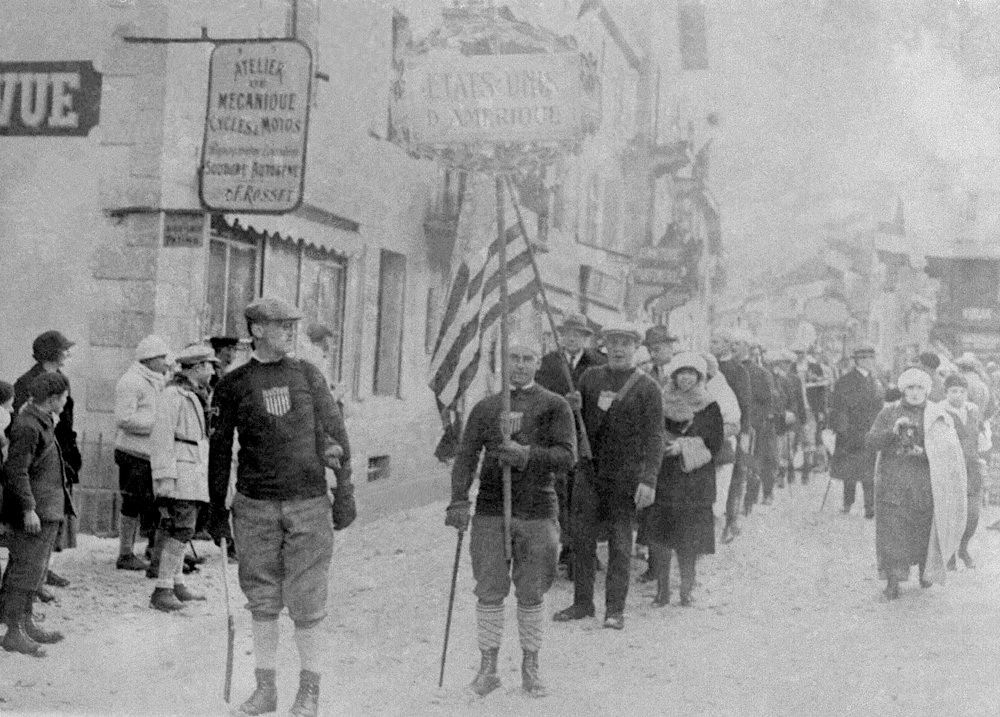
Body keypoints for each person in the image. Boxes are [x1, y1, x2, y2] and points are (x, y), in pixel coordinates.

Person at [209, 297, 354, 717]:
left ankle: (309, 692)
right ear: (256, 329)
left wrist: (344, 493)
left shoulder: (309, 374)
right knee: (263, 600)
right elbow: (219, 452)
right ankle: (265, 689)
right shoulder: (233, 384)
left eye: (293, 325)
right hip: (254, 507)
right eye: (280, 325)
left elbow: (337, 435)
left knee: (308, 603)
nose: (290, 331)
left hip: (308, 503)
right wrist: (217, 511)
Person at [445, 337, 575, 697]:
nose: (519, 364)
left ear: (538, 363)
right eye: (513, 357)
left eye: (527, 358)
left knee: (532, 592)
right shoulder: (486, 407)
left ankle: (531, 667)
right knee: (489, 590)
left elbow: (568, 457)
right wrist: (458, 502)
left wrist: (528, 455)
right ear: (503, 362)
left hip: (536, 510)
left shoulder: (555, 406)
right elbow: (467, 457)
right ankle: (488, 668)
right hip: (490, 509)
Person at [552, 323, 663, 630]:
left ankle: (615, 609)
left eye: (625, 344)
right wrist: (571, 406)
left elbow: (655, 438)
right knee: (582, 539)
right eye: (613, 343)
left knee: (619, 544)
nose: (618, 349)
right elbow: (577, 423)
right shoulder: (590, 378)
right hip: (590, 471)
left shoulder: (648, 387)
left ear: (635, 348)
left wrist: (649, 480)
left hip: (626, 477)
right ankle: (582, 603)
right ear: (604, 346)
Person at [866, 368, 967, 599]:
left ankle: (925, 569)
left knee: (924, 529)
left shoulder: (937, 414)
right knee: (893, 532)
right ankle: (893, 580)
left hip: (925, 483)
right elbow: (870, 441)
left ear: (927, 390)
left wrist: (924, 452)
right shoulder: (889, 412)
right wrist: (892, 433)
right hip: (894, 482)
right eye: (909, 388)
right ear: (903, 389)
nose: (914, 393)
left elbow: (949, 451)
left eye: (919, 388)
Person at [0, 372, 74, 656]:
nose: (66, 402)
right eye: (64, 397)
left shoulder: (40, 422)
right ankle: (13, 631)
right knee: (23, 570)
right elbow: (17, 471)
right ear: (53, 399)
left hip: (46, 509)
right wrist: (29, 509)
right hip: (34, 512)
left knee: (34, 570)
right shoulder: (29, 426)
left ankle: (25, 623)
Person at [648, 352, 724, 607]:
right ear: (674, 376)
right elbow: (651, 429)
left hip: (694, 481)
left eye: (692, 373)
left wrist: (685, 447)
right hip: (665, 477)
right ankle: (662, 590)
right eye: (682, 373)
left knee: (688, 539)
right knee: (661, 537)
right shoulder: (661, 400)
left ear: (700, 376)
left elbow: (715, 442)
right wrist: (661, 446)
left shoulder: (709, 405)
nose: (686, 379)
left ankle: (686, 589)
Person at [147, 345, 218, 612]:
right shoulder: (173, 395)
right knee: (181, 528)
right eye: (209, 365)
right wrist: (164, 477)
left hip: (193, 467)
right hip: (180, 469)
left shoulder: (194, 394)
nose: (212, 371)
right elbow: (161, 437)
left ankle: (176, 581)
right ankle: (162, 588)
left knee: (184, 525)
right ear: (197, 367)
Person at [534, 313, 606, 577]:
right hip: (558, 439)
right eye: (568, 333)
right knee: (560, 494)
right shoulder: (547, 364)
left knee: (585, 495)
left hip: (589, 441)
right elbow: (538, 399)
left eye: (579, 334)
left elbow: (606, 403)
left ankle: (586, 550)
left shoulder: (598, 364)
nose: (573, 338)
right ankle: (565, 547)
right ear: (560, 336)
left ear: (587, 338)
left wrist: (584, 404)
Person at [12, 330, 81, 589]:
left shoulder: (61, 379)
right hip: (40, 453)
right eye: (64, 349)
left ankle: (45, 568)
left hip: (60, 451)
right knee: (40, 516)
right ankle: (34, 576)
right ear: (52, 353)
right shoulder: (28, 382)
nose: (68, 354)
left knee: (54, 514)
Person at [114, 335, 171, 571]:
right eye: (162, 358)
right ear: (149, 359)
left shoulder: (155, 380)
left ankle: (152, 549)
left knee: (152, 503)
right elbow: (124, 418)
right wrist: (156, 424)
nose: (166, 363)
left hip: (149, 453)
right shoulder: (131, 381)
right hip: (133, 453)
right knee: (132, 502)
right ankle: (125, 553)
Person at [635, 325, 678, 581]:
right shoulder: (644, 374)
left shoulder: (682, 372)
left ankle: (668, 563)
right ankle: (653, 564)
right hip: (650, 446)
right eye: (651, 348)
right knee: (650, 506)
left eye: (660, 347)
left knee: (668, 506)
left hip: (673, 447)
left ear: (671, 348)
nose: (655, 352)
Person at [829, 347, 884, 518]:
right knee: (850, 470)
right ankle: (847, 503)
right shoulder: (845, 381)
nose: (872, 362)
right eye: (868, 359)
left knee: (869, 470)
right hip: (851, 432)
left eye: (872, 358)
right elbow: (839, 407)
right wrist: (842, 429)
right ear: (859, 360)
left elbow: (880, 404)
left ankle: (870, 506)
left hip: (870, 430)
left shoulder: (875, 381)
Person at [941, 373, 986, 570]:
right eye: (953, 391)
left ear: (966, 393)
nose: (958, 395)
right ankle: (949, 553)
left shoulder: (973, 411)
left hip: (973, 468)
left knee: (973, 514)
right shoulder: (940, 412)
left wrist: (981, 455)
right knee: (952, 512)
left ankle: (963, 548)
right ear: (946, 393)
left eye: (961, 392)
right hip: (951, 469)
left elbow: (981, 437)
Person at [710, 330, 752, 543]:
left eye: (716, 341)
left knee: (735, 474)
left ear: (727, 344)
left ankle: (731, 521)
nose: (712, 345)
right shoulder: (708, 368)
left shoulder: (738, 371)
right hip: (711, 431)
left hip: (732, 429)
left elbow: (745, 405)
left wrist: (744, 433)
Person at [739, 337, 780, 510]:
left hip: (760, 424)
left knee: (763, 459)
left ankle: (764, 493)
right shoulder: (733, 370)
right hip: (741, 421)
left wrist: (763, 419)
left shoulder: (762, 373)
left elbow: (771, 400)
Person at [704, 354, 741, 525]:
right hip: (698, 452)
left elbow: (734, 424)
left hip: (720, 449)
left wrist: (711, 434)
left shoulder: (722, 391)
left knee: (717, 498)